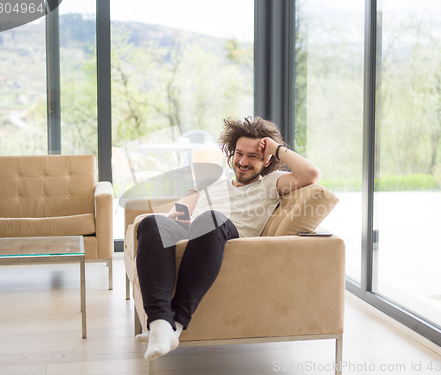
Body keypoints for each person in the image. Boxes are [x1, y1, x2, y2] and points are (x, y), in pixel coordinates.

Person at [135, 116, 322, 361]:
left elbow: (311, 175)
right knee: (151, 222)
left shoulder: (271, 183)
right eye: (239, 153)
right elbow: (179, 211)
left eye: (253, 156)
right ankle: (159, 324)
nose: (243, 162)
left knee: (211, 218)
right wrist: (176, 218)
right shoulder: (211, 184)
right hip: (193, 231)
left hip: (224, 235)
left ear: (267, 160)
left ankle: (177, 325)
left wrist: (276, 148)